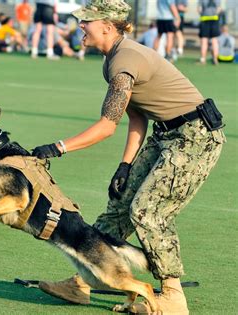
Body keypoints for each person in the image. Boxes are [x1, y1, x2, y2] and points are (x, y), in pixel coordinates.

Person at [31, 0, 225, 314]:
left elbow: (108, 126)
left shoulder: (124, 62)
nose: (80, 26)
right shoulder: (114, 59)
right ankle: (84, 282)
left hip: (195, 139)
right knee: (118, 208)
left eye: (87, 21)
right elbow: (138, 117)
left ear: (107, 27)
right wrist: (125, 165)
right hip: (167, 134)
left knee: (148, 212)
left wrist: (58, 147)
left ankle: (173, 298)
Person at [198, 0, 222, 65]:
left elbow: (199, 9)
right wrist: (214, 14)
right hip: (214, 20)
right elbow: (219, 9)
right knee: (214, 40)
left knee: (204, 40)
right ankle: (215, 59)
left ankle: (203, 59)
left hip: (204, 20)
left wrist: (203, 14)